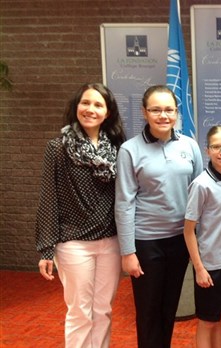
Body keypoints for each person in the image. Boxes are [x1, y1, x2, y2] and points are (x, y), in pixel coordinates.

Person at [35, 83, 126, 347]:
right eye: (85, 103)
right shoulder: (58, 148)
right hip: (73, 244)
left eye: (98, 105)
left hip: (110, 241)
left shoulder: (117, 149)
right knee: (80, 313)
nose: (90, 109)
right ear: (76, 107)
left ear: (107, 113)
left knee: (103, 311)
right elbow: (48, 198)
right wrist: (46, 249)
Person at [115, 85, 203, 348]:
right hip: (146, 243)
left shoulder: (189, 145)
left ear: (176, 113)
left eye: (168, 109)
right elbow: (124, 203)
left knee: (169, 309)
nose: (163, 115)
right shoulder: (129, 150)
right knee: (148, 311)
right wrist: (127, 251)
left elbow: (200, 195)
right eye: (156, 109)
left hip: (180, 241)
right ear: (144, 112)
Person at [183, 125, 221, 348]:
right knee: (207, 321)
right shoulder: (200, 185)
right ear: (207, 150)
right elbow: (188, 230)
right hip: (209, 266)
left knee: (220, 318)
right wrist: (199, 268)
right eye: (216, 147)